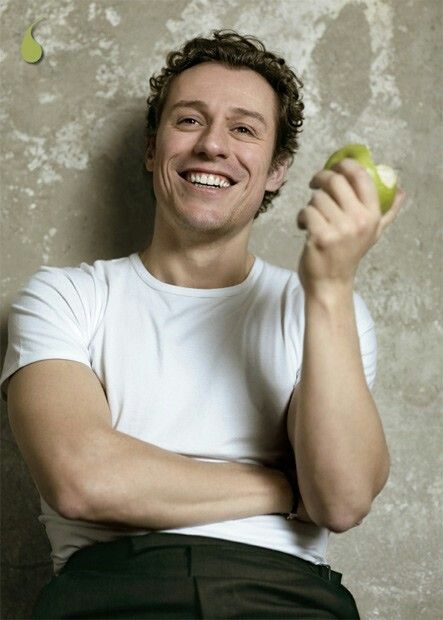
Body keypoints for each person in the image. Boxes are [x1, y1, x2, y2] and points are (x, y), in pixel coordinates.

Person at [1, 29, 404, 619]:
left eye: (244, 129)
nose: (213, 145)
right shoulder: (66, 297)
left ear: (276, 170)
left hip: (286, 597)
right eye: (189, 120)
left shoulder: (322, 309)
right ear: (151, 147)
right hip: (111, 596)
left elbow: (341, 500)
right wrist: (285, 490)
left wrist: (331, 286)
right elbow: (81, 478)